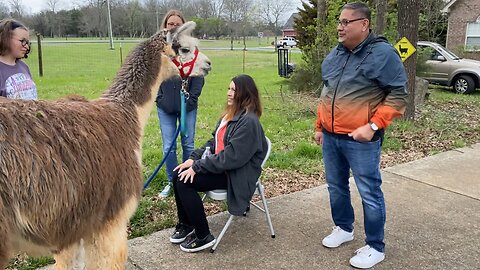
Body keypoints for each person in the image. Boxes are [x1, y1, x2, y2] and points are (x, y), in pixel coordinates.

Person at [314, 2, 408, 269]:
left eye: (346, 22)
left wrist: (374, 126)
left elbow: (399, 95)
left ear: (364, 24)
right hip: (332, 137)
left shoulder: (383, 54)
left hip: (361, 140)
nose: (340, 27)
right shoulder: (336, 54)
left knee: (369, 191)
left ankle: (376, 246)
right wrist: (319, 126)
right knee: (336, 186)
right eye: (339, 22)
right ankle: (344, 228)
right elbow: (327, 92)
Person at [170, 74, 268, 253]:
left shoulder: (249, 122)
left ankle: (203, 235)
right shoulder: (231, 115)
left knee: (184, 181)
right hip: (221, 168)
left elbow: (230, 157)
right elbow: (213, 143)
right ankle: (186, 224)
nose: (229, 93)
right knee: (178, 173)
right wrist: (193, 158)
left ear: (245, 94)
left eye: (234, 90)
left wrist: (197, 167)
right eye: (229, 89)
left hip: (235, 175)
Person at [156, 10, 205, 198]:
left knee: (188, 144)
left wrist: (192, 99)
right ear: (165, 26)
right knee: (168, 147)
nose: (173, 27)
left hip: (188, 107)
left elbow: (199, 76)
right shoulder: (161, 50)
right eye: (170, 24)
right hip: (165, 107)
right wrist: (159, 97)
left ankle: (188, 180)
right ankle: (172, 181)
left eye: (177, 24)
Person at [0, 19, 37, 100]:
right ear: (5, 39)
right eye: (22, 41)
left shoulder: (24, 67)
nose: (27, 46)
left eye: (27, 42)